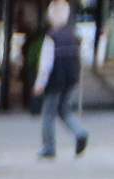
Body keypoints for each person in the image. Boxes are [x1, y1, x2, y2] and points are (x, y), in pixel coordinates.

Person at [37, 0, 88, 158]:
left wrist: (40, 83)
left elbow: (46, 63)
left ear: (50, 17)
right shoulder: (74, 35)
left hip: (55, 80)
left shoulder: (51, 37)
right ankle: (80, 132)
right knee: (64, 110)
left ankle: (49, 148)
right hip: (70, 79)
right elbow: (81, 57)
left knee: (48, 114)